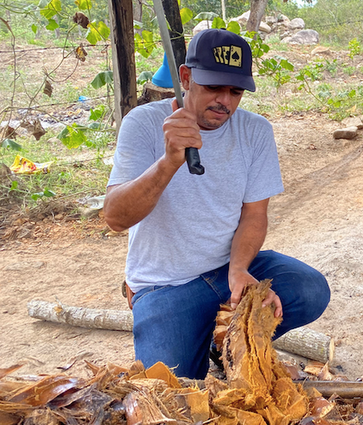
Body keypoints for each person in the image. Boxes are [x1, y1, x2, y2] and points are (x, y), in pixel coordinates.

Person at [104, 29, 330, 379]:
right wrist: (168, 163)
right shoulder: (144, 123)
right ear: (185, 77)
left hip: (227, 272)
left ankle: (224, 342)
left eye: (235, 91)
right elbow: (115, 218)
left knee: (310, 289)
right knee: (172, 389)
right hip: (164, 286)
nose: (224, 100)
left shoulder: (255, 132)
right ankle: (200, 342)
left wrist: (239, 269)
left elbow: (255, 215)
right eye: (213, 87)